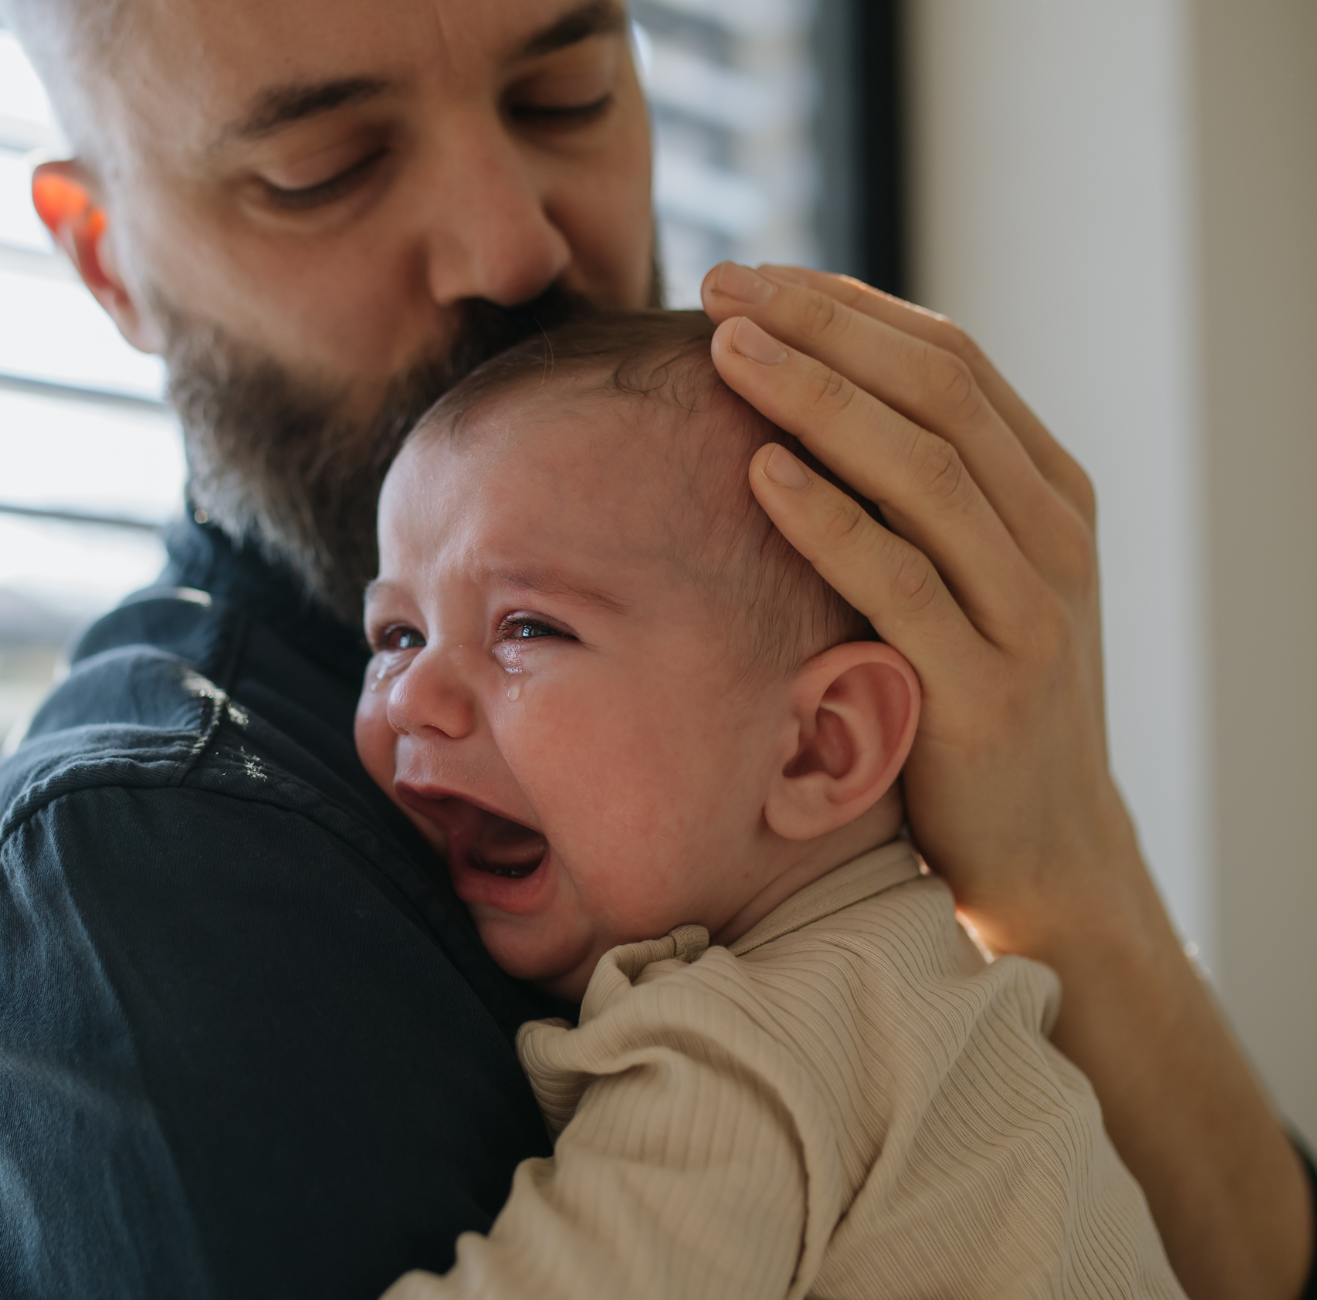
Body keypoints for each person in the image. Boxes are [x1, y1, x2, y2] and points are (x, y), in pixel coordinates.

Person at [0, 3, 1317, 1299]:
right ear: (109, 261)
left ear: (828, 741)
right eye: (323, 168)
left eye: (566, 93)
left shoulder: (795, 795)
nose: (515, 245)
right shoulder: (161, 864)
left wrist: (1065, 872)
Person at [361, 310, 1184, 1298]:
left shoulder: (743, 1047)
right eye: (397, 633)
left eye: (527, 627)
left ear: (818, 747)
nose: (409, 693)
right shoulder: (919, 989)